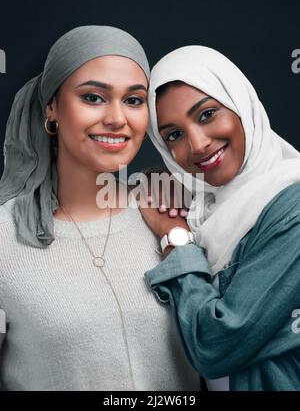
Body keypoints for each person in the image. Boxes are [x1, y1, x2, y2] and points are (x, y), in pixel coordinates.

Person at [0, 27, 200, 391]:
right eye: (93, 97)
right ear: (53, 107)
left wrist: (178, 238)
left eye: (134, 100)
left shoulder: (174, 211)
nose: (117, 119)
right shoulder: (3, 237)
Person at [142, 45, 300, 391]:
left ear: (241, 105)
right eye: (174, 135)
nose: (197, 144)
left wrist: (175, 239)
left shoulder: (293, 209)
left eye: (207, 114)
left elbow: (215, 345)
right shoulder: (203, 212)